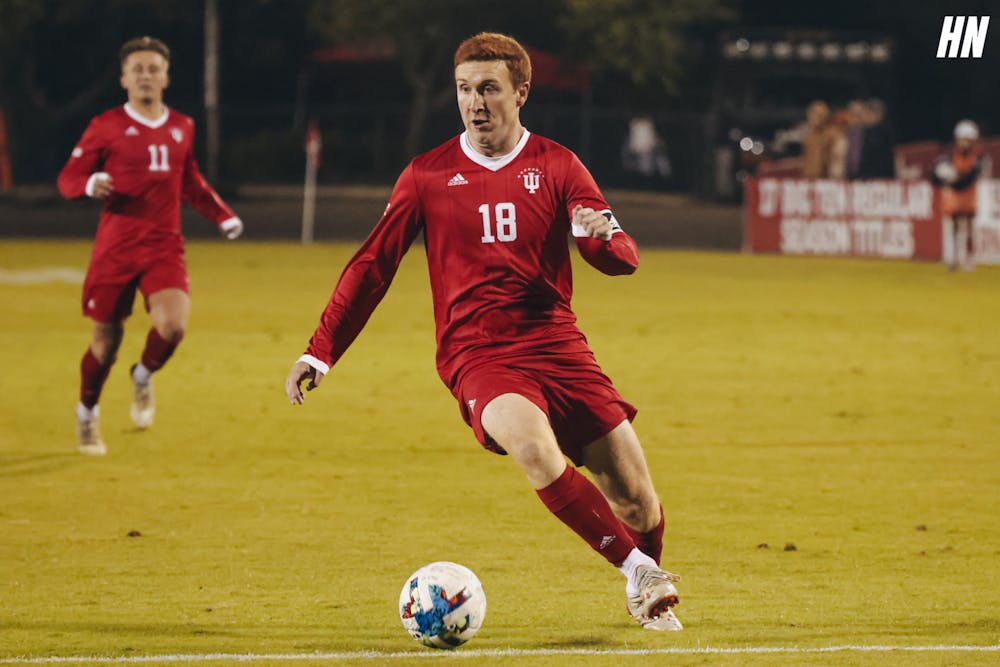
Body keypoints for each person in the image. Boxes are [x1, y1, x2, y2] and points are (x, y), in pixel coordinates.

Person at [284, 32, 682, 631]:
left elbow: (621, 257)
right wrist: (320, 353)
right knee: (531, 446)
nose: (475, 102)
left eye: (489, 89)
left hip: (558, 345)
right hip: (478, 354)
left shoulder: (558, 164)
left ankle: (642, 577)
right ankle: (639, 573)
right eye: (465, 90)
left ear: (520, 92)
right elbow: (372, 267)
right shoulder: (426, 175)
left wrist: (598, 237)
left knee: (638, 501)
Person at [57, 36, 244, 455]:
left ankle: (143, 375)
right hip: (116, 249)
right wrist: (89, 183)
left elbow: (190, 182)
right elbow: (68, 177)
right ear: (124, 78)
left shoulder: (182, 126)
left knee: (173, 326)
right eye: (137, 69)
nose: (145, 75)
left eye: (153, 68)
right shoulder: (104, 125)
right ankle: (87, 412)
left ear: (166, 77)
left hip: (163, 246)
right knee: (104, 346)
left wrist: (222, 214)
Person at [931, 119, 983, 271]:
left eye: (967, 140)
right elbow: (935, 177)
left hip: (968, 196)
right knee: (952, 227)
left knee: (968, 228)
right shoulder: (948, 157)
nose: (963, 143)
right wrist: (943, 176)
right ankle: (952, 258)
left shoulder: (976, 160)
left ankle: (968, 259)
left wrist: (952, 179)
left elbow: (967, 181)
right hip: (953, 198)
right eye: (961, 139)